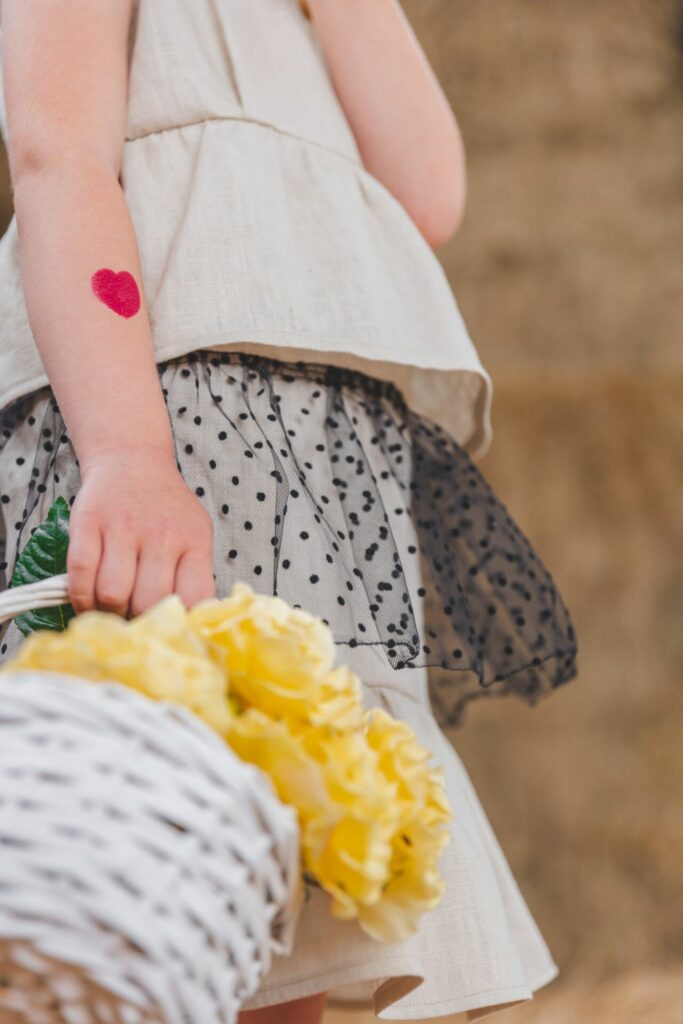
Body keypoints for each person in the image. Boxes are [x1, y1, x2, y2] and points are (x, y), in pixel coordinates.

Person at [0, 1, 578, 1020]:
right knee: (163, 850)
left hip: (319, 443)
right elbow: (59, 157)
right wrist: (130, 454)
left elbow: (423, 191)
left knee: (279, 874)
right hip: (167, 402)